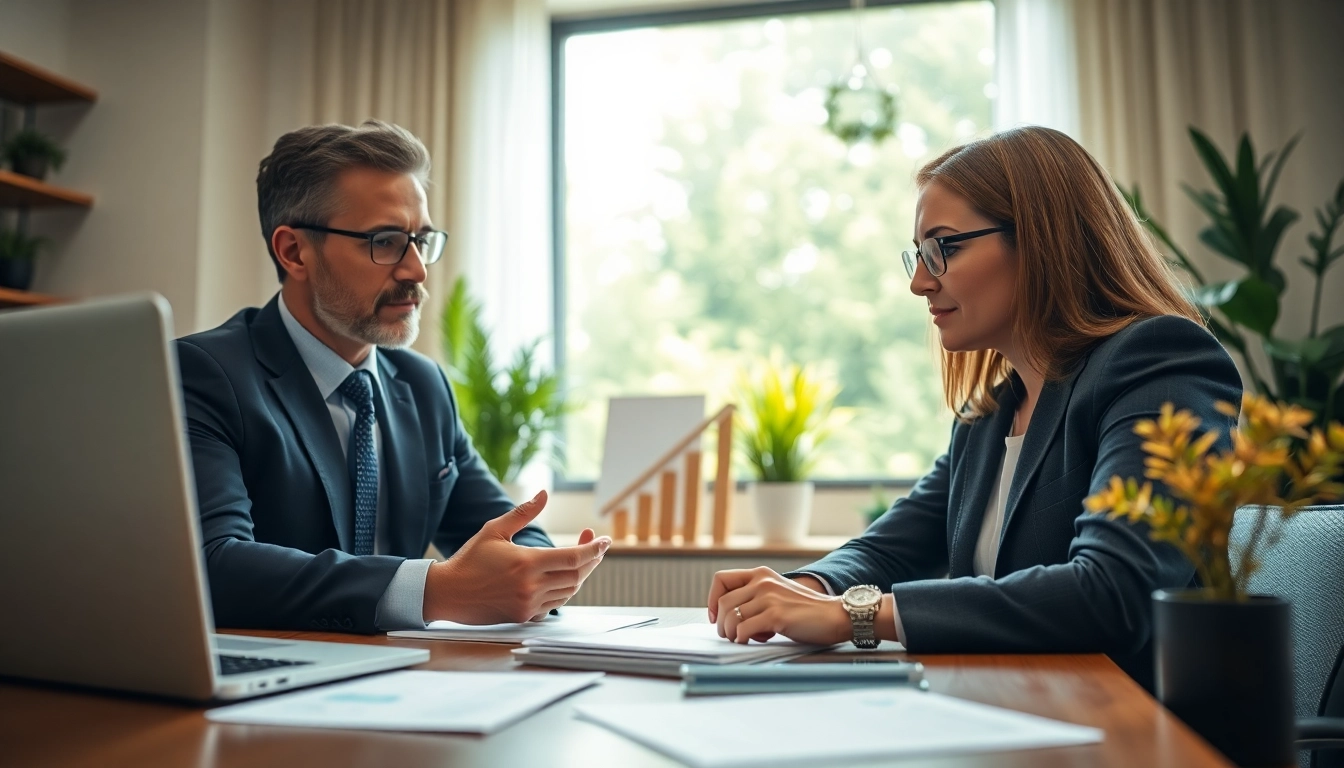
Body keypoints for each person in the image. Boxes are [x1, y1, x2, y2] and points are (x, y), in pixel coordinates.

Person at [706, 126, 1242, 690]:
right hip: (1019, 713)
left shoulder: (1157, 362)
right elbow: (892, 547)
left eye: (944, 247)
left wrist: (854, 615)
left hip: (1134, 731)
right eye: (918, 254)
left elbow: (1112, 592)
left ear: (1040, 240)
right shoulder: (991, 416)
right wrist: (809, 590)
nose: (919, 281)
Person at [177, 120, 609, 633]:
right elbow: (214, 566)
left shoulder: (423, 386)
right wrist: (433, 591)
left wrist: (535, 574)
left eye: (421, 240)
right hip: (262, 688)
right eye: (385, 241)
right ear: (294, 251)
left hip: (400, 681)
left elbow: (506, 535)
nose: (416, 270)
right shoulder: (204, 374)